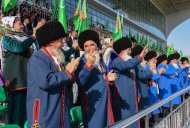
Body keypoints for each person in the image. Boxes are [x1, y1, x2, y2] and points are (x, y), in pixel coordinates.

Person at [27, 21, 80, 128]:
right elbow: (46, 81)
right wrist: (68, 73)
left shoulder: (56, 58)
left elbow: (61, 80)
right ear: (52, 41)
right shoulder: (38, 58)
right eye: (61, 38)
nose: (64, 39)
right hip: (45, 114)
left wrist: (71, 76)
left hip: (59, 113)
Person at [75, 29, 117, 128]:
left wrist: (108, 80)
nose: (89, 48)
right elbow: (80, 82)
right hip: (92, 103)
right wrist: (88, 65)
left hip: (105, 100)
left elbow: (102, 78)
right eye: (86, 46)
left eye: (92, 45)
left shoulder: (100, 60)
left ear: (97, 45)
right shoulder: (81, 62)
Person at [0, 17, 36, 127]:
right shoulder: (6, 38)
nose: (22, 26)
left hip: (28, 77)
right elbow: (18, 48)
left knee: (26, 109)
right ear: (10, 25)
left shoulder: (26, 37)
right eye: (19, 23)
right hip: (16, 78)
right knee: (16, 110)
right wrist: (33, 37)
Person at [111, 37, 147, 128]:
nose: (130, 52)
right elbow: (125, 66)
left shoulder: (130, 62)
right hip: (123, 98)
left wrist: (138, 93)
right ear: (122, 51)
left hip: (133, 96)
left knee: (134, 120)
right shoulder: (116, 62)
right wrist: (139, 57)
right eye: (129, 50)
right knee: (126, 122)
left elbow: (135, 79)